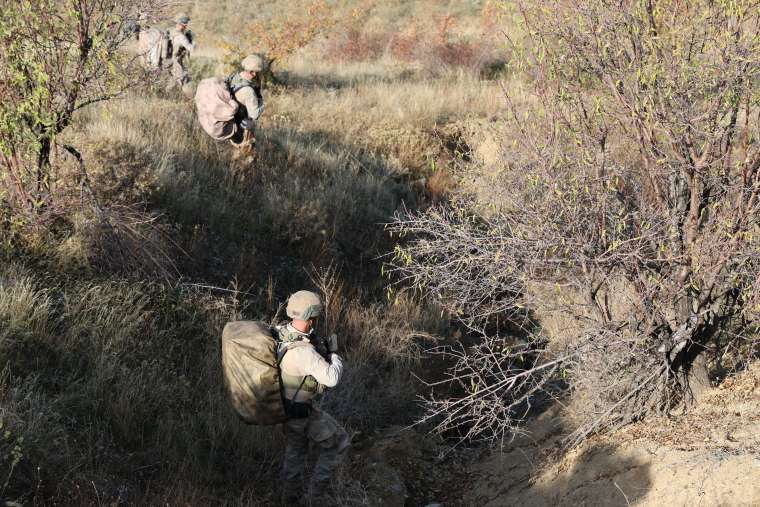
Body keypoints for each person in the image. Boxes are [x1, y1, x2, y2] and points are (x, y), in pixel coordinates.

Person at [276, 290, 350, 505]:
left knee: (296, 453)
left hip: (285, 409)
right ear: (311, 317)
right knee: (339, 442)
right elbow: (332, 378)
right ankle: (315, 499)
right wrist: (334, 355)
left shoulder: (281, 333)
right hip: (301, 413)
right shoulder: (303, 352)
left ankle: (289, 499)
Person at [226, 54, 265, 153]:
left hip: (232, 123)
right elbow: (254, 114)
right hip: (243, 127)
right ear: (253, 72)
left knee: (236, 150)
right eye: (258, 72)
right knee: (247, 154)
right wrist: (262, 103)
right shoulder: (248, 91)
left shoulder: (235, 76)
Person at [169, 13, 194, 91]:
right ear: (183, 24)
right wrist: (194, 42)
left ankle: (169, 94)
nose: (186, 26)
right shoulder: (181, 36)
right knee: (181, 79)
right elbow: (191, 48)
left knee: (175, 79)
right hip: (176, 61)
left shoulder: (171, 32)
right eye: (186, 24)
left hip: (169, 60)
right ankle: (177, 97)